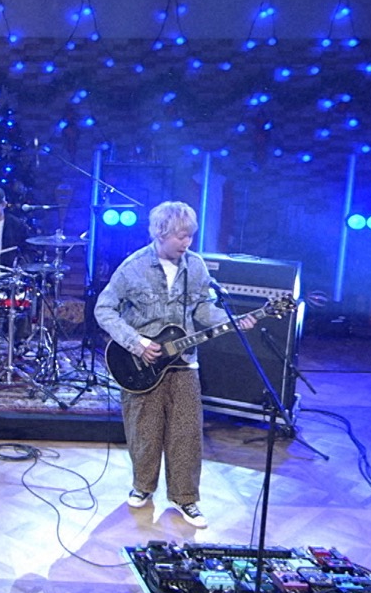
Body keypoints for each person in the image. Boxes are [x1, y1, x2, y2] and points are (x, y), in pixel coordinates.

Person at [93, 201, 253, 528]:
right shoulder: (133, 266)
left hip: (184, 362)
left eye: (190, 236)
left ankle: (185, 498)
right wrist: (136, 343)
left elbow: (203, 311)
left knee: (186, 432)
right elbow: (104, 309)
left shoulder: (196, 266)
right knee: (144, 429)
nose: (186, 243)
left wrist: (234, 321)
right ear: (161, 233)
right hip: (140, 361)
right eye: (181, 236)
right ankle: (143, 486)